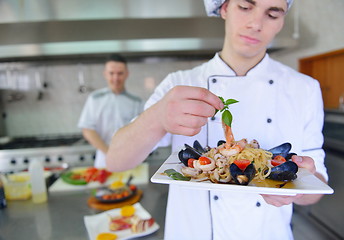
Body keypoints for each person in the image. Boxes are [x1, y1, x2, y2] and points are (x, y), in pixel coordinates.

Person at [107, 0, 328, 239]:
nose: (256, 23)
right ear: (224, 8)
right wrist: (157, 117)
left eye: (272, 14)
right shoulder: (178, 84)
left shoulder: (305, 89)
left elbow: (317, 188)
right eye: (245, 7)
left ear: (282, 21)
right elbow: (116, 161)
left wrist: (297, 188)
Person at [78, 54, 143, 168]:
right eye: (111, 73)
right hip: (104, 158)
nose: (116, 78)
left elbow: (142, 131)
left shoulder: (137, 102)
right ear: (105, 74)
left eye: (120, 73)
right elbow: (87, 130)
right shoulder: (95, 98)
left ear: (127, 74)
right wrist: (110, 153)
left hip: (131, 158)